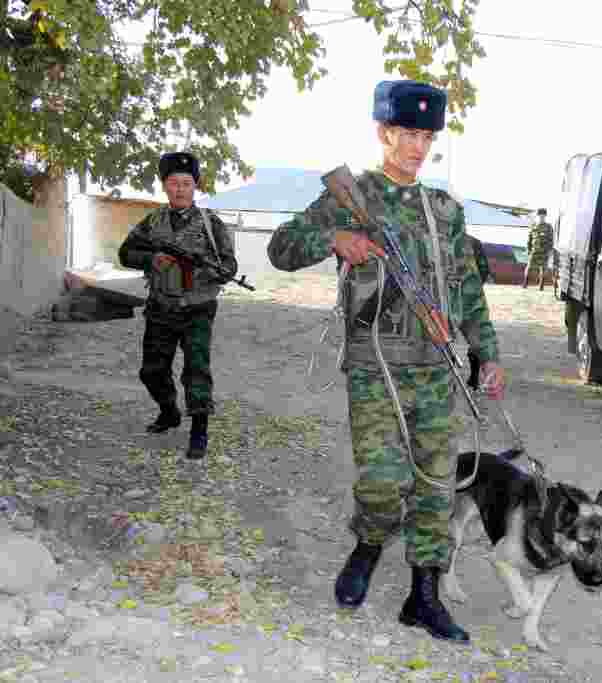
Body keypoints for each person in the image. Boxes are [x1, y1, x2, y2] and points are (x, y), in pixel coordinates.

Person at [266, 79, 506, 644]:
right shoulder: (356, 196)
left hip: (436, 368)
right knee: (381, 482)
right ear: (383, 132)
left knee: (436, 487)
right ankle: (369, 545)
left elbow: (467, 286)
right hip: (376, 367)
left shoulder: (444, 209)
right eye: (407, 135)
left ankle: (422, 597)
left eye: (426, 137)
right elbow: (281, 248)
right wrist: (336, 238)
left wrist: (487, 351)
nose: (418, 148)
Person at [117, 151, 238, 460]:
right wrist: (151, 259)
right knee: (152, 371)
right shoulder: (153, 222)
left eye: (187, 183)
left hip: (198, 308)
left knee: (197, 370)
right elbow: (125, 253)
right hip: (160, 307)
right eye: (174, 183)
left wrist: (209, 270)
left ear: (195, 186)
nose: (181, 189)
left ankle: (199, 431)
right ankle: (169, 411)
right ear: (165, 187)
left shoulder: (211, 224)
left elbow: (230, 265)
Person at [465, 233, 491, 390]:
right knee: (475, 338)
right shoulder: (474, 242)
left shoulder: (434, 238)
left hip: (441, 297)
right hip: (470, 297)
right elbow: (484, 269)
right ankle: (474, 377)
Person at [522, 207, 553, 290]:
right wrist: (528, 249)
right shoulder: (533, 226)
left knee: (543, 269)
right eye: (540, 215)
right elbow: (529, 238)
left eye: (543, 215)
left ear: (545, 216)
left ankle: (541, 286)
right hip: (534, 250)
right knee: (529, 267)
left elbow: (551, 239)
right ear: (538, 216)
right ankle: (525, 283)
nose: (541, 217)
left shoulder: (549, 226)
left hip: (544, 251)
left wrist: (550, 250)